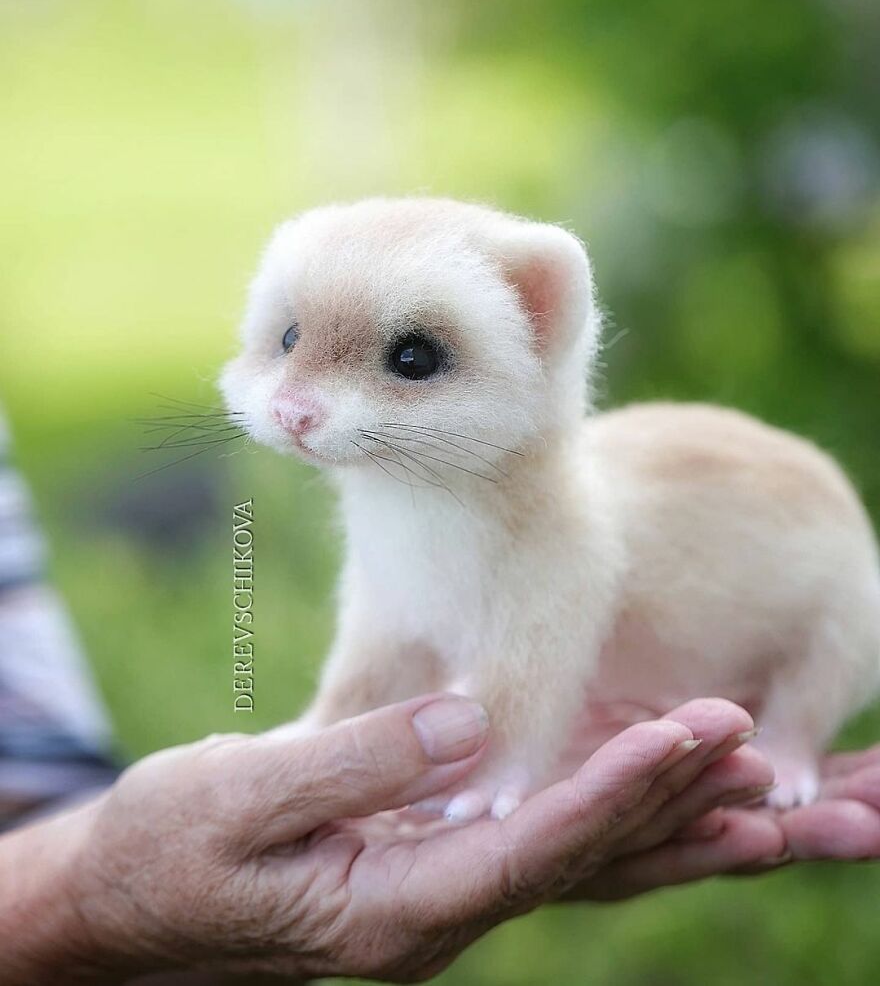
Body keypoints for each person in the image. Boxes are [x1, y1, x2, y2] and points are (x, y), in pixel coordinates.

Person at [1, 408, 879, 984]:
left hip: (790, 611)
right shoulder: (393, 505)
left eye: (412, 360)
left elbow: (534, 646)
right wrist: (88, 894)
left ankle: (789, 730)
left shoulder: (554, 517)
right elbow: (387, 631)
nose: (305, 405)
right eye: (290, 338)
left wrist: (107, 901)